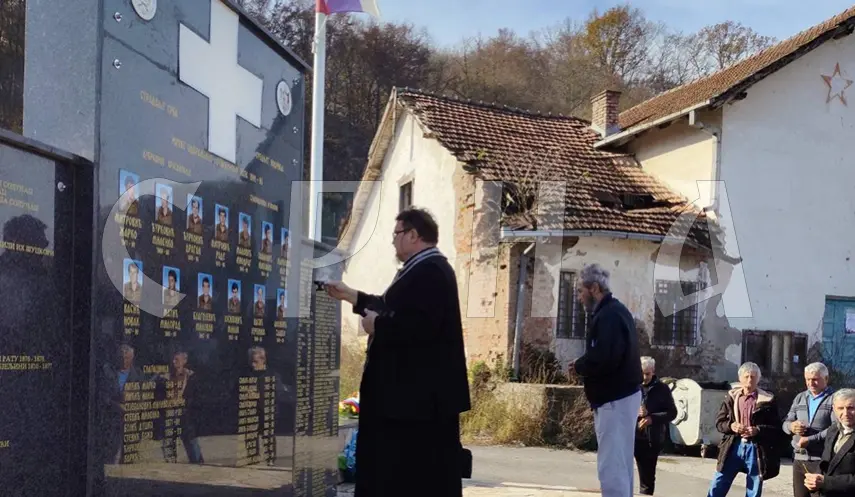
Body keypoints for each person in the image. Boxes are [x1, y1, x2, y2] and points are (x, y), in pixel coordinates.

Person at [324, 207, 470, 497]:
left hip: (417, 407)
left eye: (397, 234)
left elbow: (420, 328)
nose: (393, 241)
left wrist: (378, 325)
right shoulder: (421, 269)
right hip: (409, 404)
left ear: (414, 235)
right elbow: (394, 309)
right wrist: (351, 295)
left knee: (409, 479)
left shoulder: (432, 271)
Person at [570, 263, 642, 497]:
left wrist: (580, 366)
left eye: (581, 291)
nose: (580, 298)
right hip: (621, 395)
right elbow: (606, 351)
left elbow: (605, 357)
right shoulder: (614, 311)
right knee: (620, 463)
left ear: (594, 288)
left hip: (614, 398)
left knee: (612, 465)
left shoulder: (609, 315)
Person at [707, 362, 781, 497]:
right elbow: (719, 423)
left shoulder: (767, 400)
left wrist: (758, 430)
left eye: (753, 377)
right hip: (733, 445)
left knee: (754, 484)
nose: (749, 380)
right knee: (720, 480)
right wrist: (731, 426)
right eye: (746, 377)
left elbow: (776, 428)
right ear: (740, 378)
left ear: (758, 379)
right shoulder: (731, 397)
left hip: (755, 447)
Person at [784, 362, 837, 497]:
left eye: (815, 379)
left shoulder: (834, 399)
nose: (810, 383)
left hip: (821, 459)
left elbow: (835, 429)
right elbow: (786, 422)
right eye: (807, 379)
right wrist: (791, 426)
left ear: (826, 379)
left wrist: (811, 439)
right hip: (799, 458)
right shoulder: (800, 397)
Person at [635, 356, 677, 495]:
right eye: (641, 373)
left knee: (647, 479)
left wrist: (651, 417)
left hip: (650, 439)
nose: (644, 377)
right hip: (630, 435)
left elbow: (672, 413)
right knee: (622, 473)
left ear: (653, 371)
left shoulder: (662, 388)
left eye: (647, 374)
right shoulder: (632, 385)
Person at [804, 388, 855, 496]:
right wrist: (815, 479)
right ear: (834, 409)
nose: (845, 413)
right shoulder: (833, 430)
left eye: (851, 408)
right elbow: (825, 461)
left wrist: (826, 482)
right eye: (840, 408)